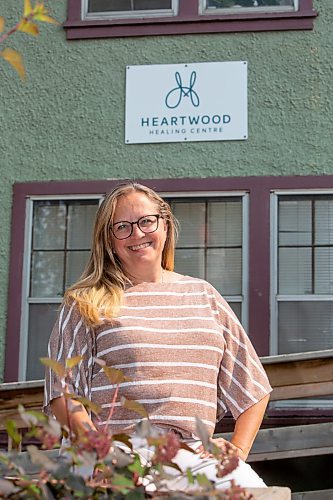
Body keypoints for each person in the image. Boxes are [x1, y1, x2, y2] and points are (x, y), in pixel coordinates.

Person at [44, 182, 272, 490]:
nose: (137, 234)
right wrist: (101, 453)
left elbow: (253, 386)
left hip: (193, 456)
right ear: (109, 240)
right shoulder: (86, 300)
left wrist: (238, 452)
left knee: (257, 494)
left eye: (146, 221)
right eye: (122, 227)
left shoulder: (204, 296)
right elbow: (63, 392)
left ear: (164, 225)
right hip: (117, 454)